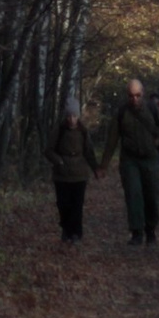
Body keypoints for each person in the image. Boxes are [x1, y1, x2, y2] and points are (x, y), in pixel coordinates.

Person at [113, 77, 159, 244]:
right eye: (131, 96)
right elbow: (112, 139)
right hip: (130, 160)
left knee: (151, 195)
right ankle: (136, 232)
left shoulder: (152, 109)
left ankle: (151, 231)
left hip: (150, 159)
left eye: (137, 95)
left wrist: (157, 142)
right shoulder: (122, 112)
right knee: (133, 195)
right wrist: (102, 165)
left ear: (142, 94)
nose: (134, 99)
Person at [49, 99, 98, 243]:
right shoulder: (59, 130)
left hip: (79, 174)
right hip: (62, 175)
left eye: (74, 116)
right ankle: (66, 229)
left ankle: (76, 233)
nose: (72, 119)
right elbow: (48, 150)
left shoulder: (83, 131)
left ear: (78, 116)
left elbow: (89, 151)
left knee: (77, 204)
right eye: (69, 116)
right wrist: (58, 161)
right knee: (63, 204)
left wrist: (95, 168)